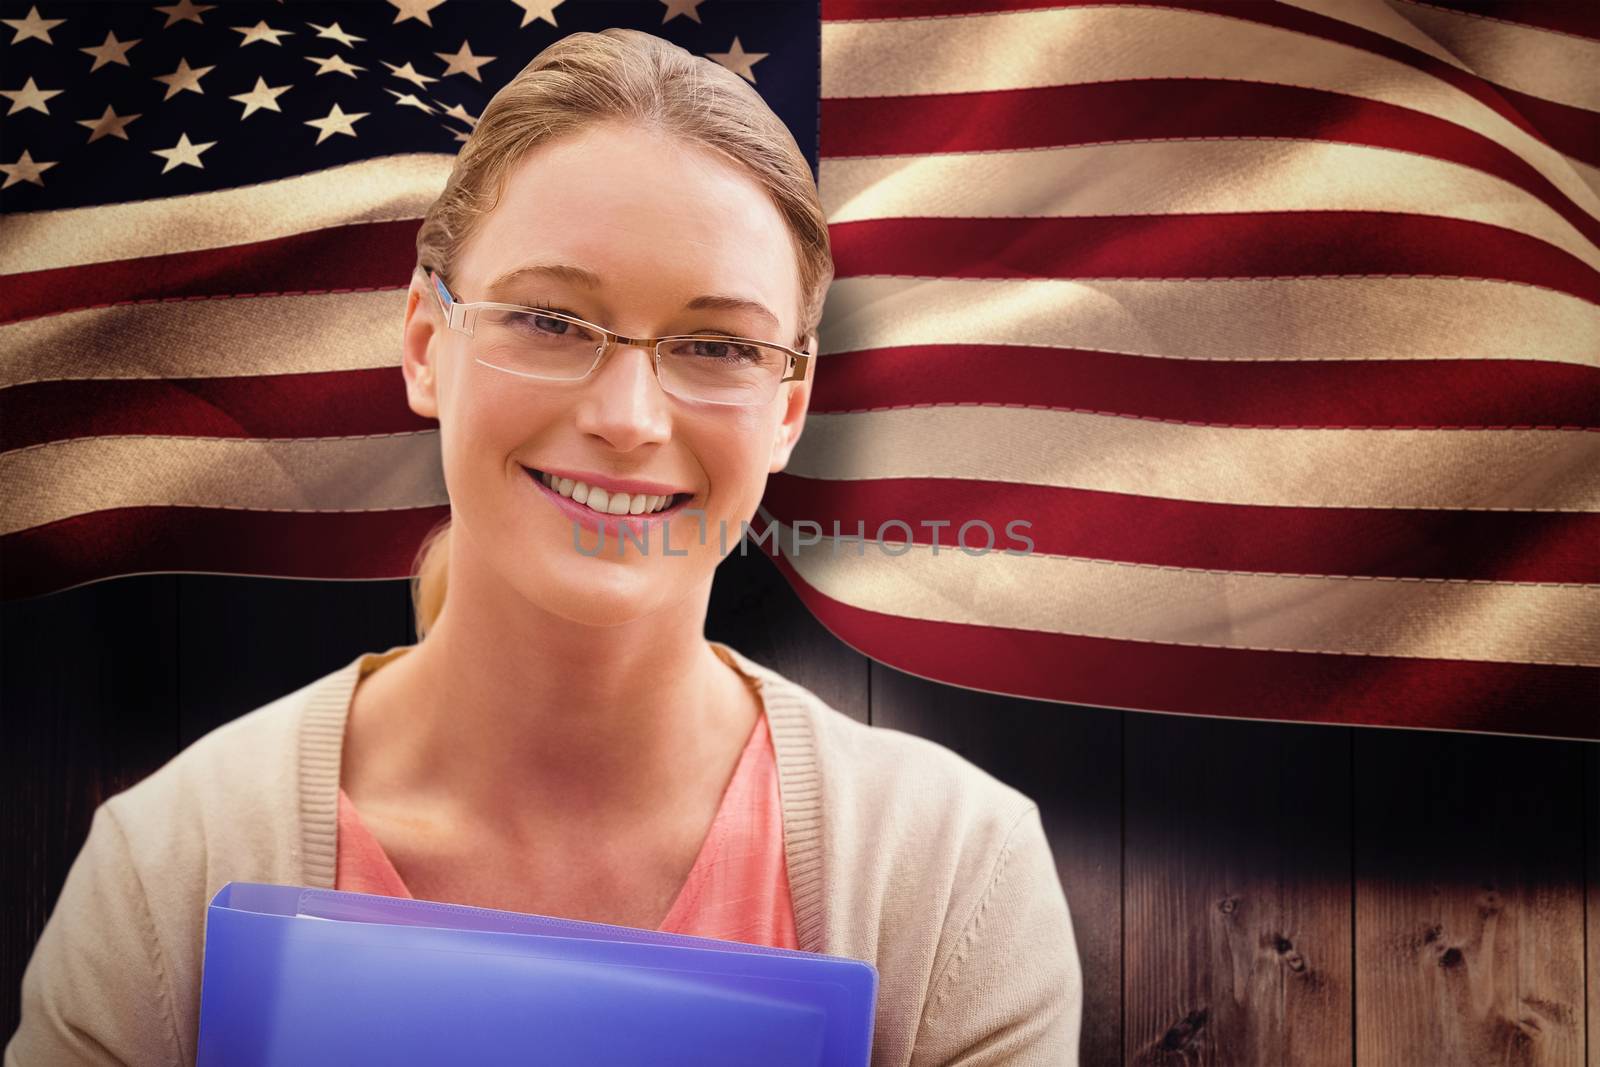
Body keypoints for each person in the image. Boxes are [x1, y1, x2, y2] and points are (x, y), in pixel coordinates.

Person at [8, 28, 1082, 1066]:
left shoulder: (950, 872)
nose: (628, 417)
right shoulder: (169, 863)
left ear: (789, 405)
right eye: (552, 321)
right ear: (427, 346)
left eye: (715, 345)